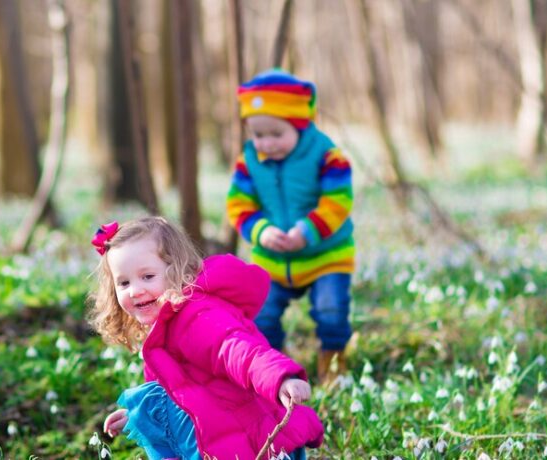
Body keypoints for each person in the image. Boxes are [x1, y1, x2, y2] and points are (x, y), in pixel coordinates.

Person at [88, 217, 323, 460]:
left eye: (147, 276)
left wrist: (279, 379)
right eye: (124, 282)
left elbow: (236, 349)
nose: (135, 290)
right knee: (150, 400)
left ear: (177, 270)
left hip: (251, 438)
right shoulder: (164, 326)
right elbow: (178, 390)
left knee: (153, 402)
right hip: (222, 430)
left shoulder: (197, 317)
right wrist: (136, 416)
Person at [225, 69, 355, 383]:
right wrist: (260, 231)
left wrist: (307, 232)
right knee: (263, 314)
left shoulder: (326, 155)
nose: (266, 143)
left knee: (331, 310)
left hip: (326, 254)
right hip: (272, 257)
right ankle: (274, 370)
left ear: (300, 124)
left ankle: (333, 363)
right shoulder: (249, 161)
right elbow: (238, 203)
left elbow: (337, 200)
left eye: (275, 133)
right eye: (258, 134)